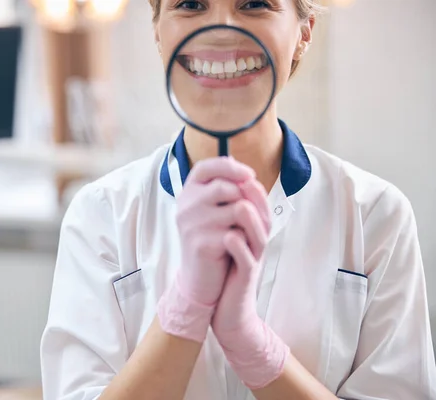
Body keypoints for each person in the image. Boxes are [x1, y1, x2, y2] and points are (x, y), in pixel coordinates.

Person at [40, 0, 436, 399]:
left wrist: (254, 348)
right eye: (191, 4)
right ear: (157, 31)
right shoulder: (100, 216)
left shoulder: (377, 217)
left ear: (304, 33)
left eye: (255, 4)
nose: (223, 29)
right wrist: (184, 311)